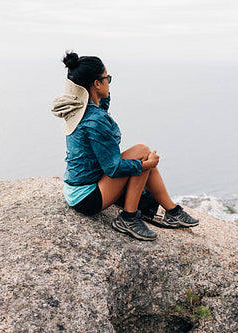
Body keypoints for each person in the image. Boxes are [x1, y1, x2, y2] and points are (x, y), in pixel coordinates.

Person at [52, 51, 199, 241]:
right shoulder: (95, 120)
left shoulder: (79, 108)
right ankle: (129, 218)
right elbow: (113, 169)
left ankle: (172, 211)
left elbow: (100, 105)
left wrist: (100, 92)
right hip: (88, 198)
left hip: (76, 189)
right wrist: (146, 166)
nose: (109, 83)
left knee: (142, 152)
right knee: (144, 156)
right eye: (107, 79)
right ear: (96, 84)